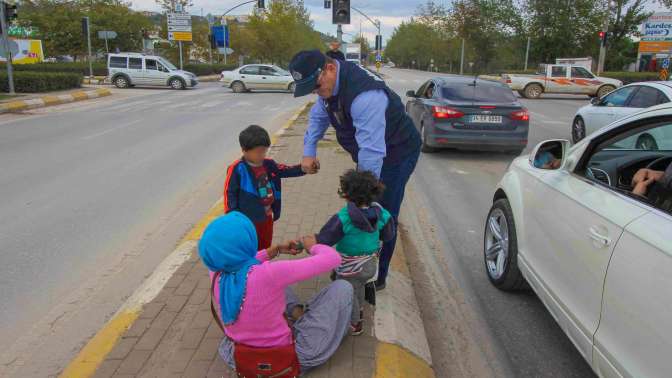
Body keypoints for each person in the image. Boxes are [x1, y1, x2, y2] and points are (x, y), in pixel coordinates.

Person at [288, 50, 422, 290]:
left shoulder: (365, 95)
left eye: (316, 85)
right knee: (359, 211)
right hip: (371, 151)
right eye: (311, 89)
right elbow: (319, 116)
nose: (316, 92)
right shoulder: (328, 86)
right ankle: (354, 265)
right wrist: (309, 151)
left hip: (396, 153)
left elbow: (372, 152)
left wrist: (363, 197)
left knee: (380, 213)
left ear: (329, 68)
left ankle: (373, 277)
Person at [199, 212, 354, 373]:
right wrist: (312, 245)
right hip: (287, 358)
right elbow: (333, 259)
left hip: (239, 356)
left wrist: (272, 251)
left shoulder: (215, 272)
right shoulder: (270, 274)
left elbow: (240, 264)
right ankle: (299, 318)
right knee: (343, 288)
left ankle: (295, 313)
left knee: (270, 288)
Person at [316, 170, 395, 335]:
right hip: (369, 264)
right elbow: (388, 236)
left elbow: (325, 239)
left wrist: (307, 243)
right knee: (357, 287)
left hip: (349, 267)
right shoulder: (383, 214)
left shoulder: (343, 217)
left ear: (346, 194)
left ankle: (354, 324)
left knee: (350, 293)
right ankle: (358, 306)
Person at [223, 125, 305, 250]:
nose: (262, 155)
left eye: (264, 151)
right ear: (244, 150)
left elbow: (286, 170)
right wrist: (233, 219)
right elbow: (230, 194)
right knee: (248, 248)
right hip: (247, 221)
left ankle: (263, 268)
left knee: (265, 247)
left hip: (267, 217)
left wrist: (304, 168)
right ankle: (250, 269)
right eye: (258, 152)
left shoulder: (269, 164)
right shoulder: (237, 168)